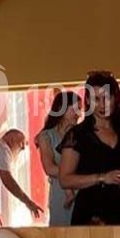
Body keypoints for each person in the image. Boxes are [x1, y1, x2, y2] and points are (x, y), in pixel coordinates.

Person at [60, 72, 120, 225]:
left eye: (106, 98)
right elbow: (65, 179)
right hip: (91, 214)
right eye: (96, 99)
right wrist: (102, 178)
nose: (102, 104)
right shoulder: (77, 135)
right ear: (87, 100)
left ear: (115, 99)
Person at [36, 90, 82, 227]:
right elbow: (49, 168)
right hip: (60, 193)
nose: (78, 113)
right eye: (74, 108)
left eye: (79, 109)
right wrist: (72, 173)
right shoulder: (46, 136)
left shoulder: (82, 134)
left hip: (83, 189)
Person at [0, 128, 45, 220]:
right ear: (12, 140)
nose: (23, 148)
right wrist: (27, 202)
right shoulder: (3, 150)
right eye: (21, 144)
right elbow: (7, 180)